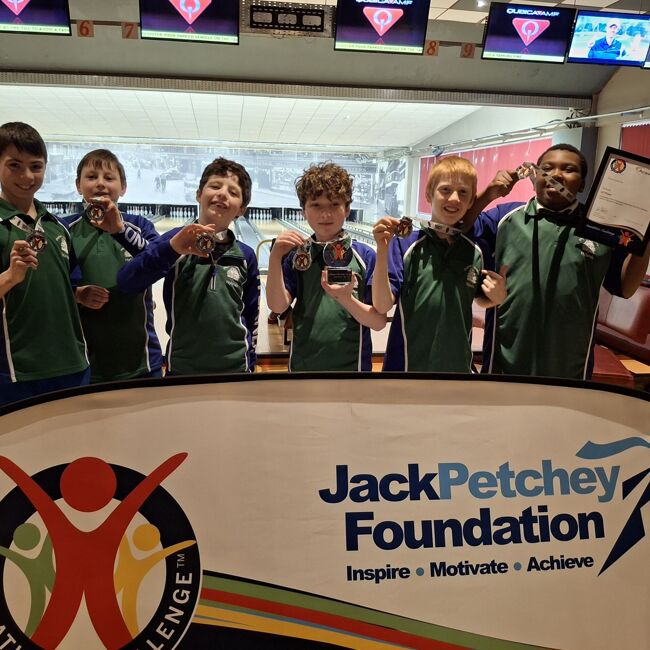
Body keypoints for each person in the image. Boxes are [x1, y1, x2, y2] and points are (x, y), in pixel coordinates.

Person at [468, 143, 650, 380]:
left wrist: (645, 236)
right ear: (534, 174)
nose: (556, 175)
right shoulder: (504, 218)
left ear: (583, 183)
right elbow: (460, 228)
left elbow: (625, 287)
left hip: (571, 366)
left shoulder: (601, 229)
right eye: (547, 168)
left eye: (569, 169)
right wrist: (489, 194)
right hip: (504, 361)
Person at [117, 157, 259, 374]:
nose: (222, 193)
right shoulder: (174, 241)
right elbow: (128, 281)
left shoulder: (246, 255)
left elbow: (252, 316)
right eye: (215, 186)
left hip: (237, 370)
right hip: (183, 369)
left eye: (233, 192)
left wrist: (251, 364)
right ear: (198, 194)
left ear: (241, 209)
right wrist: (172, 248)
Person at [372, 156, 507, 373]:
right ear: (428, 194)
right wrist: (381, 250)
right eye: (445, 190)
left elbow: (481, 298)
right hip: (405, 369)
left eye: (463, 192)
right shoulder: (405, 244)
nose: (454, 198)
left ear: (471, 201)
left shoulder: (476, 249)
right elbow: (382, 305)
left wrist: (497, 298)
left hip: (458, 371)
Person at [0, 122, 89, 407]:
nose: (27, 176)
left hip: (72, 363)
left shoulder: (57, 227)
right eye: (15, 165)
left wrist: (80, 294)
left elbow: (68, 285)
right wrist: (10, 276)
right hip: (16, 370)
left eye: (36, 166)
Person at [266, 162, 385, 371]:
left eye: (334, 204)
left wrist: (346, 299)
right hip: (303, 368)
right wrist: (275, 257)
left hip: (353, 370)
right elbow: (277, 307)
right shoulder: (297, 256)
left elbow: (378, 322)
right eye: (316, 205)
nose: (326, 214)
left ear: (347, 209)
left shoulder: (365, 256)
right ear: (303, 211)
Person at [62, 149, 163, 383]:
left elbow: (158, 261)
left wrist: (119, 230)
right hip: (84, 362)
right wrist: (77, 294)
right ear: (78, 185)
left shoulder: (139, 225)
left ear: (123, 187)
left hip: (143, 360)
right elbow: (50, 284)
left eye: (109, 178)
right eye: (91, 177)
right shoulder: (64, 229)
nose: (100, 183)